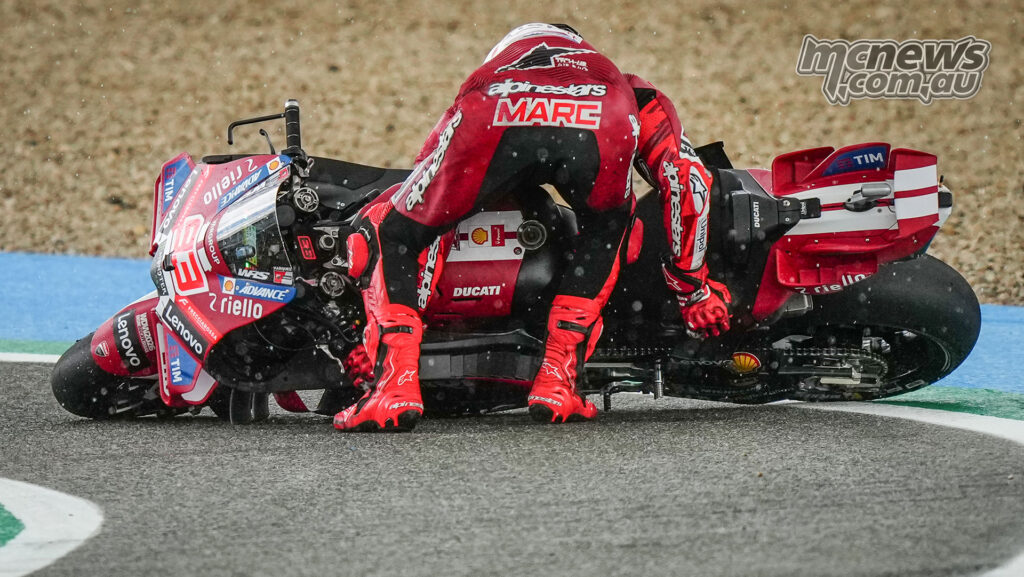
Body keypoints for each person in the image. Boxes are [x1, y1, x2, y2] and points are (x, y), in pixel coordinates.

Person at [334, 23, 731, 432]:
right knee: (608, 226)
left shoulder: (491, 75)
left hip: (494, 112)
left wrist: (385, 336)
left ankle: (393, 387)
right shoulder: (628, 86)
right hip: (603, 117)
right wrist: (692, 288)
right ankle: (557, 383)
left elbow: (425, 214)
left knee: (397, 233)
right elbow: (691, 184)